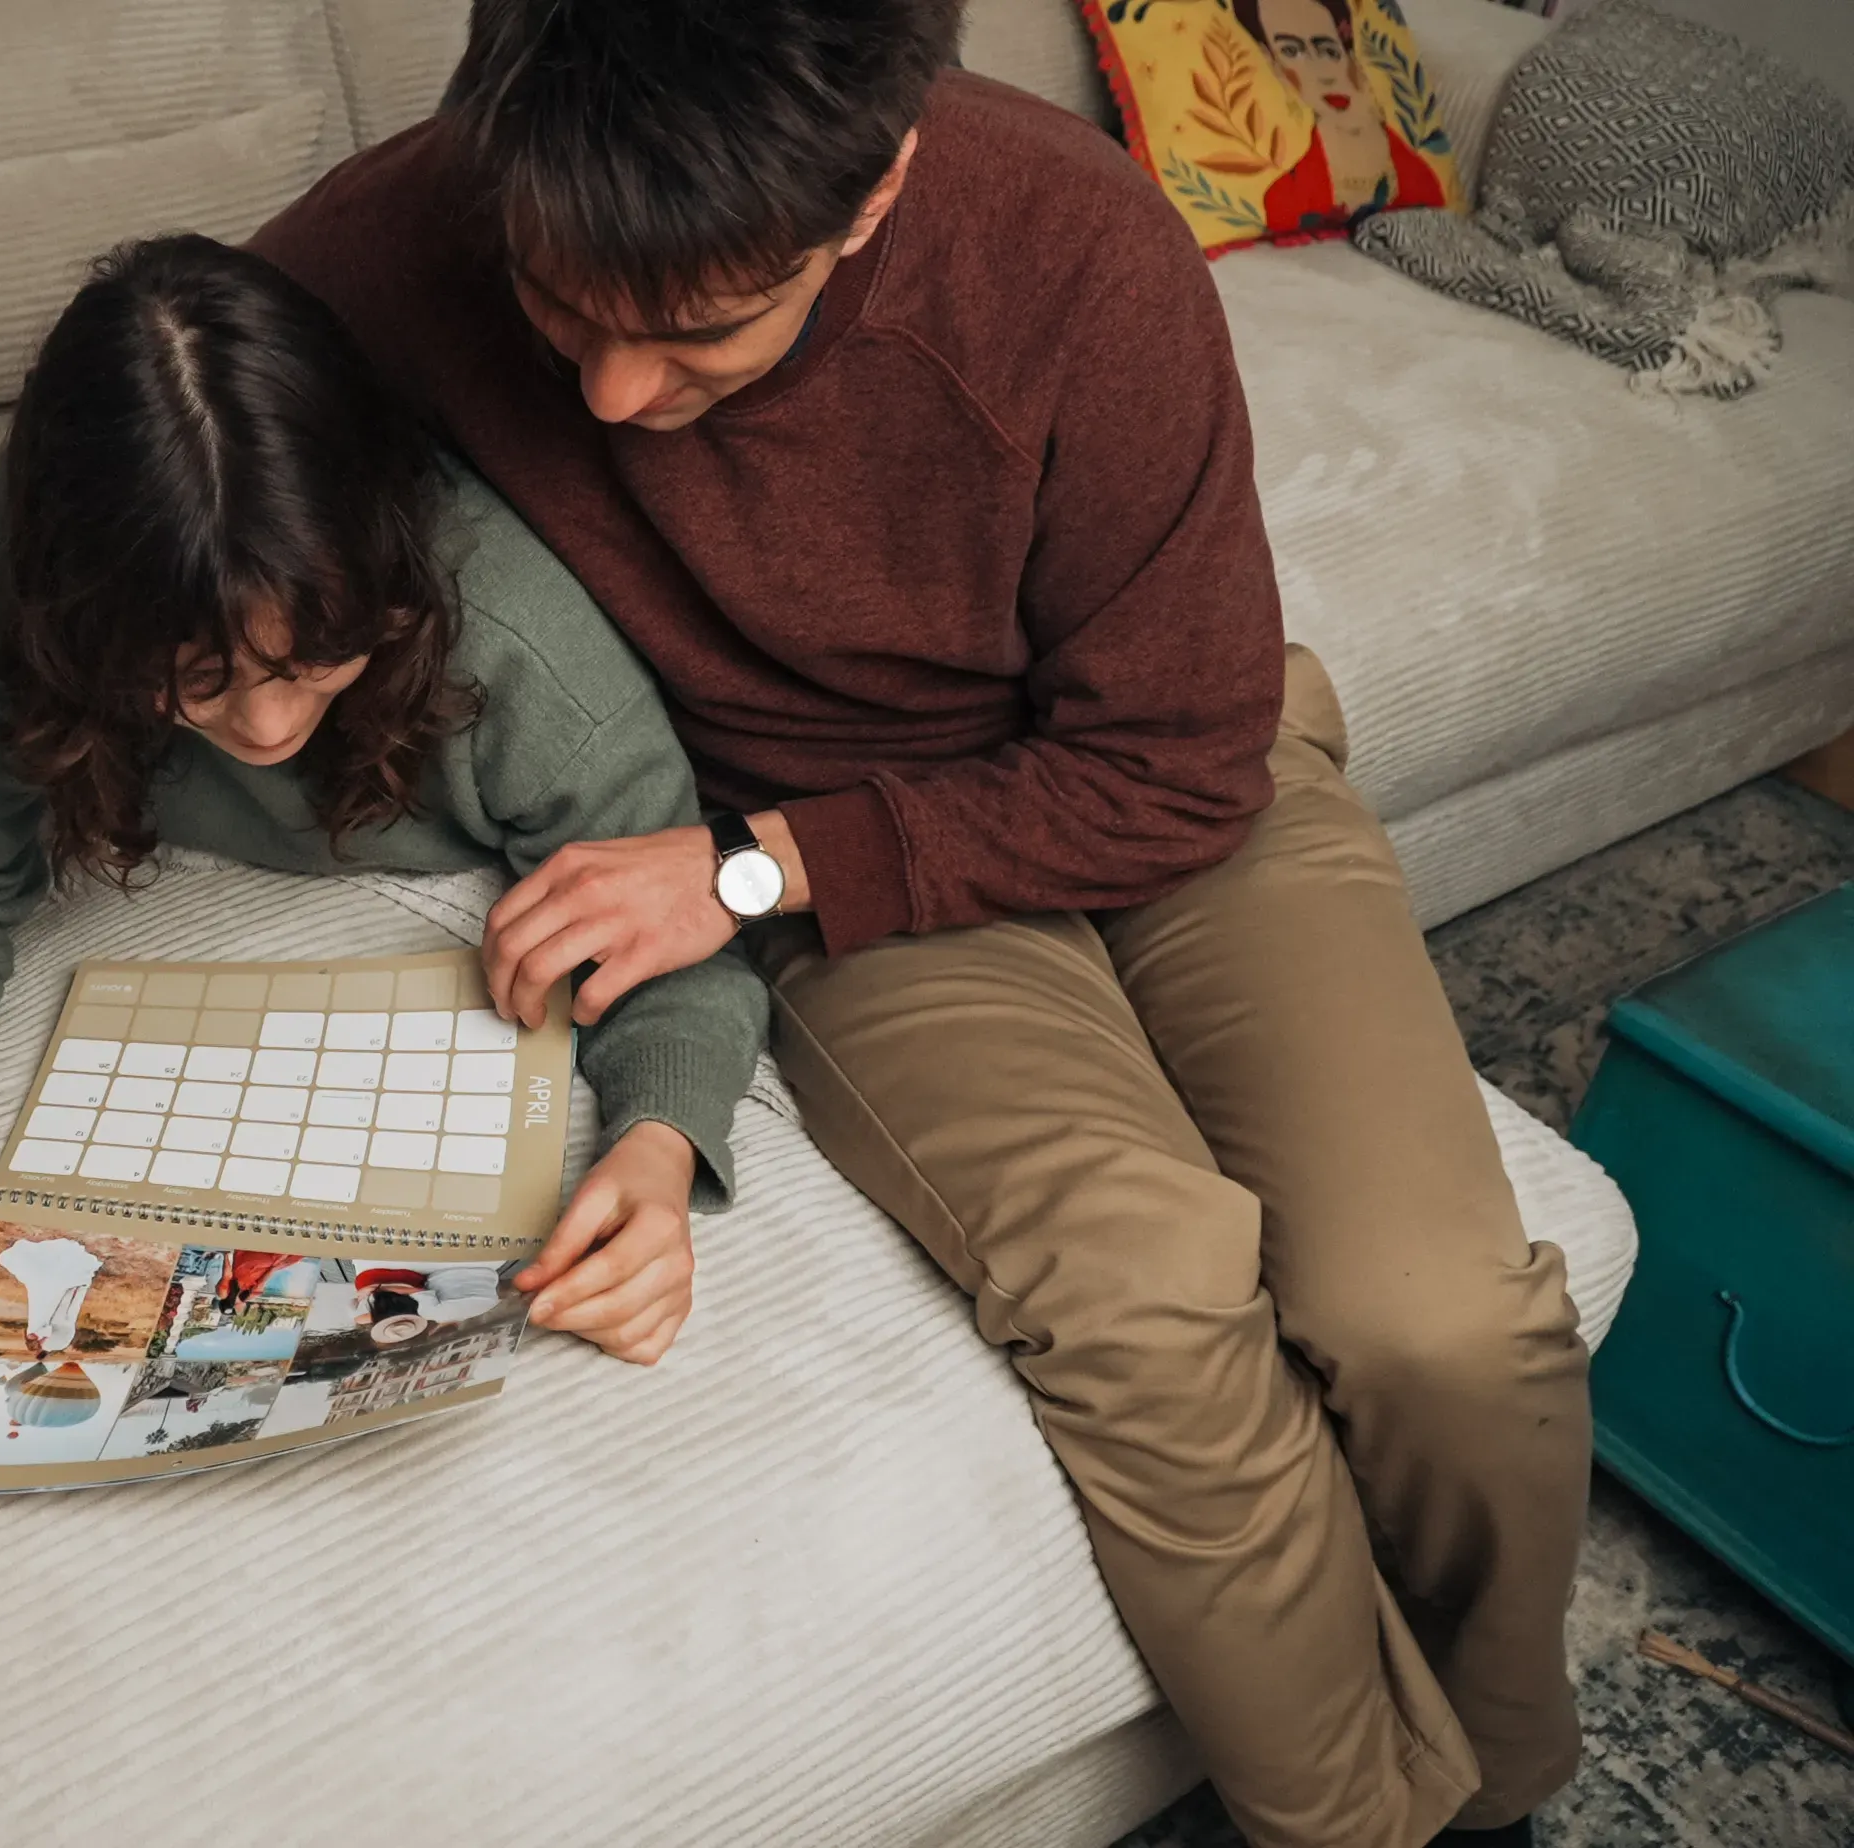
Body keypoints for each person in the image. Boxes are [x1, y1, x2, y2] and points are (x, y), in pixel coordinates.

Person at [249, 5, 1587, 1844]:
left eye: (699, 330)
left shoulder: (1079, 249)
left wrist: (740, 871)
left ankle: (1506, 1790)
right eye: (562, 313)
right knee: (1142, 1306)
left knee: (1438, 1321)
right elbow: (131, 430)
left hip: (1154, 792)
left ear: (875, 184)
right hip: (870, 895)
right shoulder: (406, 230)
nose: (613, 399)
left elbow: (1181, 762)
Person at [0, 234, 766, 1368]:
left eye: (317, 659)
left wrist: (657, 1144)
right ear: (73, 623)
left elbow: (678, 924)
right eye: (193, 679)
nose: (262, 728)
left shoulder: (508, 631)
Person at [1239, 0, 1447, 234]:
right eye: (1291, 51)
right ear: (1270, 63)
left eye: (1329, 51)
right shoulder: (1282, 194)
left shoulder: (1410, 171)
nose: (1325, 74)